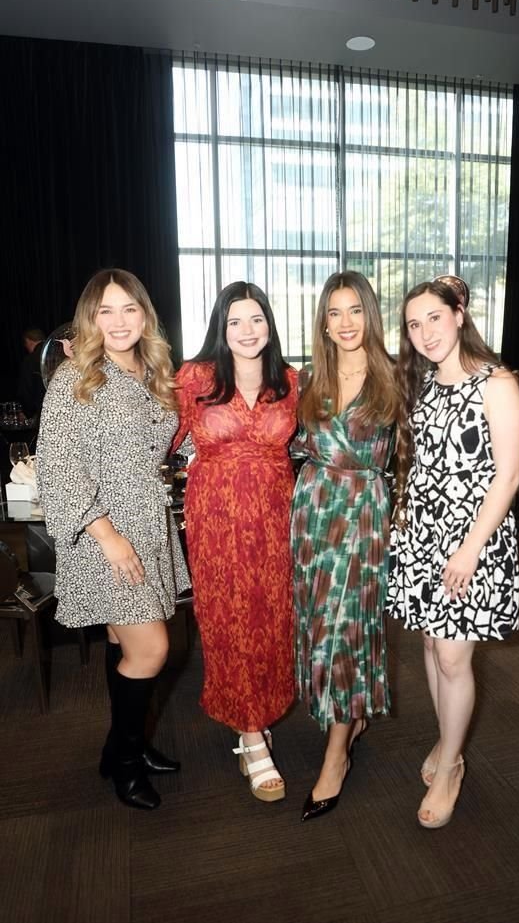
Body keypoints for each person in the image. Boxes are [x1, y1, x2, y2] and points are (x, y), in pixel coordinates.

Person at [37, 268, 190, 811]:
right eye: (106, 310)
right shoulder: (78, 376)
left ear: (145, 314)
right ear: (90, 319)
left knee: (124, 644)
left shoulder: (152, 372)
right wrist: (109, 536)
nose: (119, 320)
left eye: (129, 308)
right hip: (106, 536)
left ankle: (122, 747)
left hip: (148, 526)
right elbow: (58, 469)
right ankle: (125, 764)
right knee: (152, 650)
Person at [387, 279, 519, 829]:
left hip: (474, 538)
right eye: (414, 325)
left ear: (459, 315)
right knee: (430, 642)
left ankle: (450, 765)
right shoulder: (423, 385)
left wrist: (469, 549)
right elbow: (420, 463)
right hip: (423, 532)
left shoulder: (497, 383)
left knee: (452, 657)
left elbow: (509, 475)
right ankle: (448, 742)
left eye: (434, 319)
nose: (424, 334)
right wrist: (404, 514)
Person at [171, 281, 298, 803]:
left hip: (275, 515)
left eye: (257, 320)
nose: (248, 332)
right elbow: (161, 436)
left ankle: (260, 712)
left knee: (270, 616)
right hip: (216, 516)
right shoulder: (194, 378)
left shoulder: (291, 380)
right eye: (235, 322)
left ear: (270, 325)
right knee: (227, 616)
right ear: (220, 328)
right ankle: (250, 735)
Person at [291, 270, 398, 822]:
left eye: (354, 310)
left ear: (370, 315)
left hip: (364, 514)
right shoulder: (310, 376)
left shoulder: (396, 378)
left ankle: (336, 758)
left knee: (345, 630)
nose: (345, 323)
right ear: (323, 324)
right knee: (317, 627)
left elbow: (416, 460)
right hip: (313, 513)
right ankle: (349, 717)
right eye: (334, 313)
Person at [17, 326, 46, 420]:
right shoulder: (55, 353)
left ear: (28, 341)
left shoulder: (30, 360)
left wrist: (26, 412)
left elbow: (26, 388)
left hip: (41, 410)